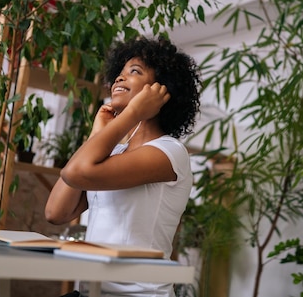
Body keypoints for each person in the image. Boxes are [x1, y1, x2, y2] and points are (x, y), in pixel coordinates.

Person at [45, 36, 202, 297]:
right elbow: (55, 212)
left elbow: (75, 172)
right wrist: (97, 136)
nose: (119, 78)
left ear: (161, 91)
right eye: (119, 73)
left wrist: (131, 115)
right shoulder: (112, 153)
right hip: (91, 291)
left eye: (134, 71)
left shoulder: (169, 152)